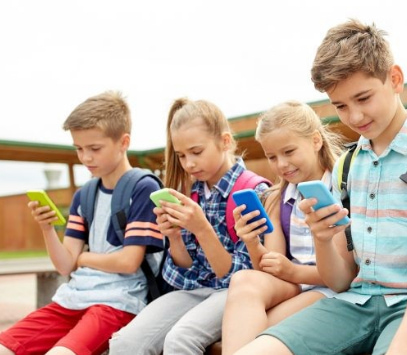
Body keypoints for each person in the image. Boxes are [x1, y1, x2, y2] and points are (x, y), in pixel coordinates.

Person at [235, 19, 407, 355]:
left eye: (363, 98)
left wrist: (405, 342)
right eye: (341, 106)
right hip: (354, 304)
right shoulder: (347, 165)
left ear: (394, 79)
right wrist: (321, 238)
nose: (355, 116)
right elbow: (341, 279)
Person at [0, 91, 164, 355]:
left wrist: (85, 259)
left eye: (94, 149)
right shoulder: (85, 194)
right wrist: (47, 228)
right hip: (72, 299)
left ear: (124, 142)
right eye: (79, 148)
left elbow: (128, 262)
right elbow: (66, 263)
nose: (85, 158)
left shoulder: (142, 188)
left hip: (117, 303)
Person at [108, 98, 270, 355]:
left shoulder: (254, 191)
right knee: (125, 342)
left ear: (225, 142)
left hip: (234, 294)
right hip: (195, 291)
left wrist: (202, 228)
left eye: (196, 152)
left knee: (180, 340)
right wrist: (174, 237)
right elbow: (183, 274)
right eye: (181, 155)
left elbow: (239, 277)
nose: (189, 164)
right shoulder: (191, 193)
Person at [221, 100, 346, 354]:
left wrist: (292, 271)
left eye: (289, 152)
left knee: (261, 328)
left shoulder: (341, 187)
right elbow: (272, 267)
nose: (281, 164)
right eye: (272, 157)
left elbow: (343, 277)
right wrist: (252, 243)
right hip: (294, 283)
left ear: (315, 141)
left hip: (329, 288)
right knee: (243, 279)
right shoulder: (277, 198)